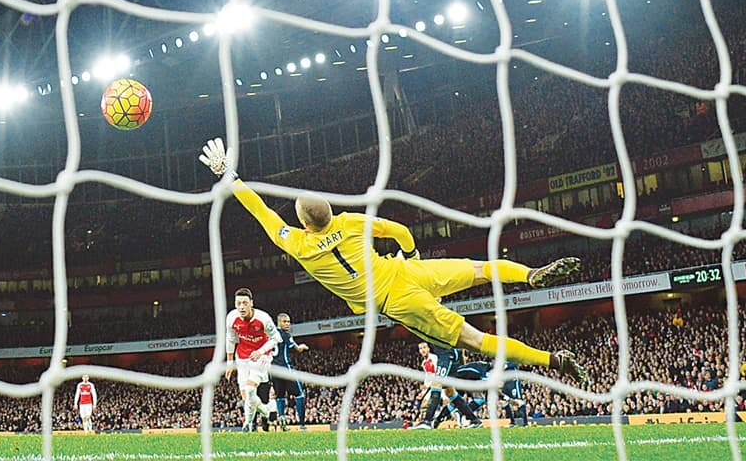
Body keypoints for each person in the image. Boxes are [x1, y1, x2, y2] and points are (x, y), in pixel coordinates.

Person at [200, 138, 586, 383]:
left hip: (396, 302)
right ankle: (531, 274)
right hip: (405, 269)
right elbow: (401, 231)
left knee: (474, 339)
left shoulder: (297, 243)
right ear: (330, 212)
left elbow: (261, 211)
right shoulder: (351, 221)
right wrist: (413, 258)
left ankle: (553, 360)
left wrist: (228, 175)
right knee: (482, 269)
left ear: (302, 222)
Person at [225, 287, 282, 432]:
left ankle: (248, 425)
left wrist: (261, 351)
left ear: (251, 303)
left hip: (261, 357)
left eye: (245, 303)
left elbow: (276, 338)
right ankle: (269, 412)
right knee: (246, 398)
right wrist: (230, 363)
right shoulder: (232, 318)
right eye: (238, 303)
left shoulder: (263, 319)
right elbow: (230, 339)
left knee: (250, 389)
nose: (241, 307)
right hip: (242, 357)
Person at [411, 343, 482, 429]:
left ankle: (427, 421)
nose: (422, 350)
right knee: (450, 393)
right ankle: (474, 420)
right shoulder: (425, 362)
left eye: (424, 347)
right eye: (420, 348)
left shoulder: (435, 356)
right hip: (453, 356)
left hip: (446, 355)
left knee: (437, 385)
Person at [271, 312, 310, 431]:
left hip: (274, 371)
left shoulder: (270, 334)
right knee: (300, 394)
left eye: (288, 321)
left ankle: (282, 419)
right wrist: (303, 347)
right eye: (285, 321)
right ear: (279, 322)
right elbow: (297, 349)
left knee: (280, 396)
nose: (288, 324)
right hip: (286, 369)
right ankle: (302, 425)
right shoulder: (285, 335)